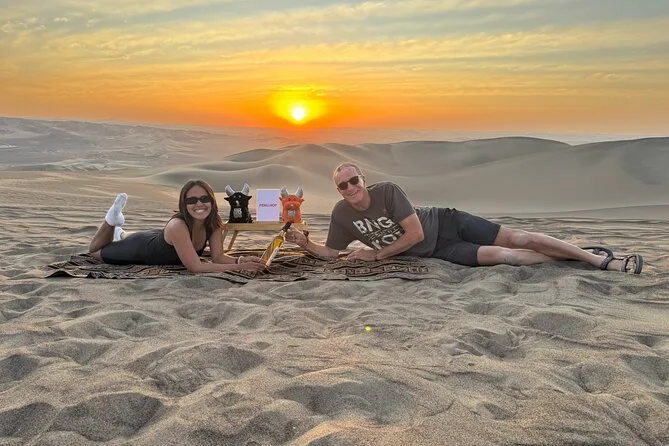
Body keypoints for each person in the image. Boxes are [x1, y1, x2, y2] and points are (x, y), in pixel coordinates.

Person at [284, 163, 644, 274]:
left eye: (354, 181)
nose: (349, 188)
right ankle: (574, 257)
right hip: (439, 252)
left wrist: (376, 255)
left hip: (446, 223)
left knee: (518, 239)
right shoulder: (342, 214)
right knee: (509, 257)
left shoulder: (388, 192)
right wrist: (305, 244)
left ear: (363, 180)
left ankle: (600, 261)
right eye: (342, 185)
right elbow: (331, 252)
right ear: (338, 190)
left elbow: (413, 234)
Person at [88, 179, 266, 273]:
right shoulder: (178, 226)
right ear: (183, 204)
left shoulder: (213, 222)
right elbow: (196, 267)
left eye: (204, 198)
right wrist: (239, 268)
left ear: (212, 201)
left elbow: (218, 257)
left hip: (156, 237)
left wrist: (241, 260)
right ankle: (112, 219)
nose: (199, 204)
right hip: (140, 249)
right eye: (191, 200)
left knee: (125, 235)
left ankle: (120, 232)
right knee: (95, 251)